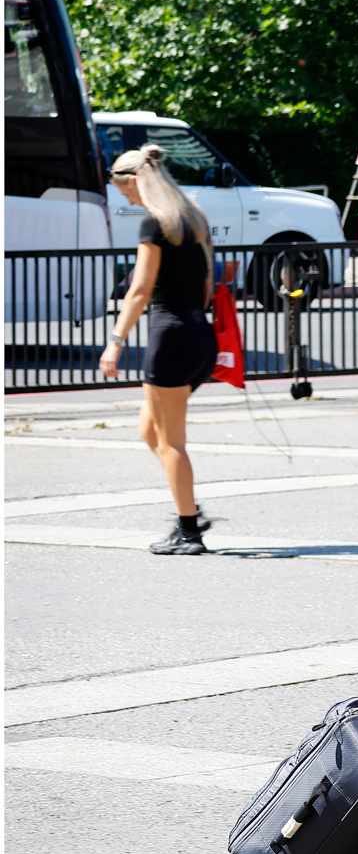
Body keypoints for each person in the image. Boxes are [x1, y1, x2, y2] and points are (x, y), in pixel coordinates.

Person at [99, 144, 217, 555]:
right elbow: (206, 286)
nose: (125, 199)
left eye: (124, 191)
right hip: (200, 335)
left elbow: (140, 290)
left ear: (135, 180)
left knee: (171, 442)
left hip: (169, 338)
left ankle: (189, 531)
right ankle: (189, 509)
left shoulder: (155, 223)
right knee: (149, 430)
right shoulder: (193, 218)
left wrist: (115, 341)